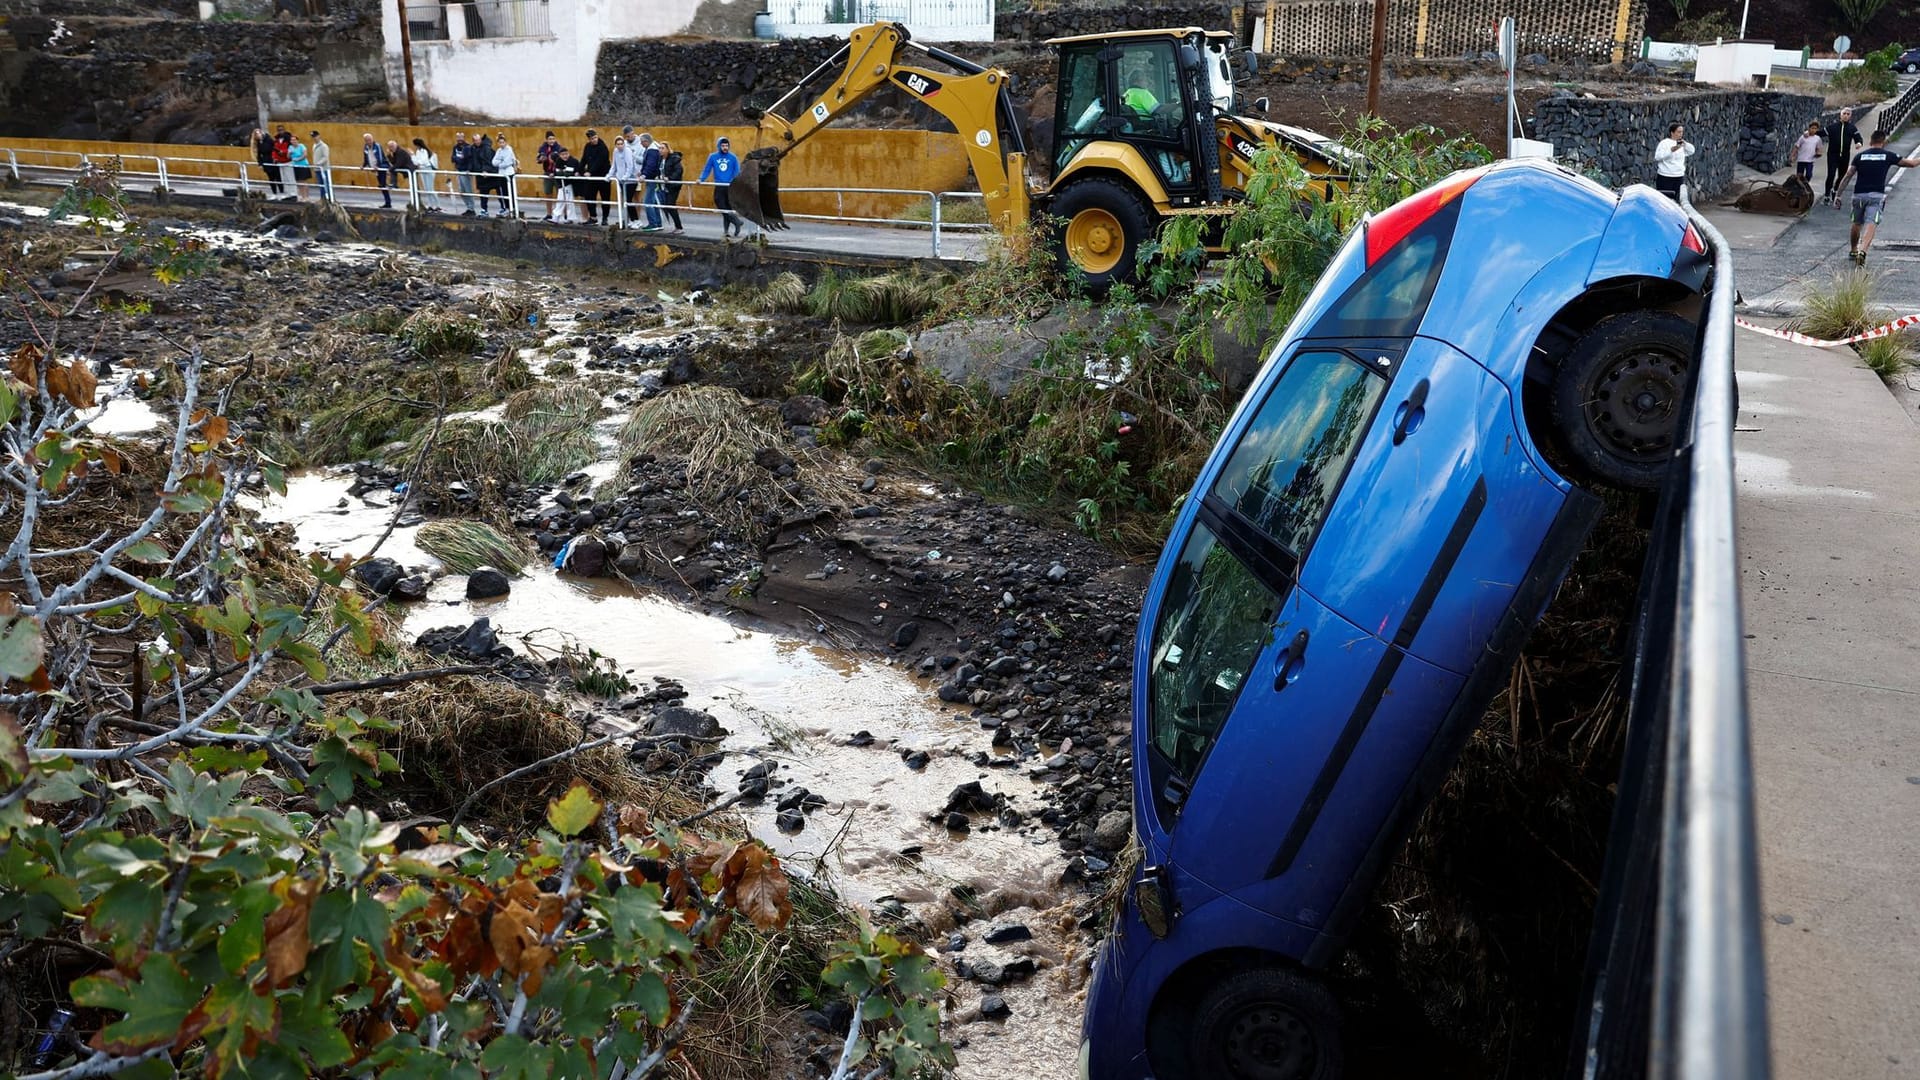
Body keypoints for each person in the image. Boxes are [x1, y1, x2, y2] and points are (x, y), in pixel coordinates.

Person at [1839, 129, 1919, 265]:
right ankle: (1862, 251)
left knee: (1856, 223)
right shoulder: (1888, 155)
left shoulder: (1860, 156)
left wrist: (1838, 195)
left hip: (1858, 195)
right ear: (1884, 142)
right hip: (1876, 196)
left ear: (1870, 141)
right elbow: (1911, 164)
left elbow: (1848, 175)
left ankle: (1853, 249)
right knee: (1871, 223)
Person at [698, 136, 745, 238]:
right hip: (719, 186)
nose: (725, 147)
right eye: (723, 145)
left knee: (727, 208)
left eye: (726, 145)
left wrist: (736, 184)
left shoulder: (733, 157)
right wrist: (701, 179)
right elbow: (707, 169)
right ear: (719, 146)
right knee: (722, 206)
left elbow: (736, 172)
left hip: (729, 186)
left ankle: (726, 231)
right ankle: (737, 221)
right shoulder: (713, 157)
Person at [1824, 106, 1863, 208]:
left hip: (1845, 156)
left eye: (1848, 114)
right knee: (1831, 175)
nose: (1845, 116)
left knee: (1842, 176)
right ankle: (1827, 195)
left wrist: (1858, 143)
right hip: (1832, 155)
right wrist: (1810, 133)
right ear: (1840, 115)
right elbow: (1821, 133)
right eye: (1844, 114)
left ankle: (1835, 190)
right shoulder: (1833, 127)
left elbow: (1858, 138)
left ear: (1850, 116)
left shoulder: (1852, 128)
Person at [1652, 122, 1695, 200]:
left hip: (1678, 176)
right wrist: (1671, 150)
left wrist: (1685, 144)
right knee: (1664, 199)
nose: (1681, 134)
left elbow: (1691, 151)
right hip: (1665, 176)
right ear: (1672, 132)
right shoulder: (1664, 143)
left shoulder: (1682, 144)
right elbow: (1657, 157)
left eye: (1682, 132)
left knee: (1677, 199)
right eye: (1678, 132)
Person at [579, 129, 612, 226]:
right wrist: (580, 170)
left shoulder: (603, 147)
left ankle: (605, 218)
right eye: (592, 138)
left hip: (603, 176)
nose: (594, 140)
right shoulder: (588, 147)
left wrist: (590, 172)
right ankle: (593, 217)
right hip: (592, 178)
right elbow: (584, 159)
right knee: (589, 196)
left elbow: (600, 162)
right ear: (589, 139)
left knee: (605, 198)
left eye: (595, 137)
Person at [412, 137, 450, 212]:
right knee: (426, 189)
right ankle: (430, 205)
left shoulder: (425, 151)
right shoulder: (418, 151)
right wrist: (414, 157)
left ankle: (437, 205)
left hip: (428, 169)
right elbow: (415, 161)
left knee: (430, 188)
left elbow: (424, 161)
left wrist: (417, 161)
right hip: (422, 170)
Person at [610, 134, 640, 226]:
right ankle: (630, 219)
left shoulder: (627, 151)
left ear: (624, 144)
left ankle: (636, 220)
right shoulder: (615, 152)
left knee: (628, 200)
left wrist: (626, 177)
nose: (620, 146)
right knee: (625, 201)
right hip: (621, 180)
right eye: (618, 144)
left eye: (621, 144)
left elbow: (630, 166)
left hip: (631, 180)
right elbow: (614, 165)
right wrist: (609, 175)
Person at [638, 131, 664, 230]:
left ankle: (653, 223)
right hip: (653, 178)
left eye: (642, 142)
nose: (641, 144)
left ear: (646, 141)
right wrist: (642, 172)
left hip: (651, 179)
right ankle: (658, 223)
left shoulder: (651, 151)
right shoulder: (653, 149)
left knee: (648, 202)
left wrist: (644, 174)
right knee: (653, 201)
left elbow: (651, 165)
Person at [659, 142, 685, 233]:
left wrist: (670, 178)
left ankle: (679, 227)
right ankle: (677, 226)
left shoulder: (674, 159)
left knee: (670, 204)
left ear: (667, 149)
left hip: (673, 185)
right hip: (664, 185)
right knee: (667, 205)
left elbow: (679, 170)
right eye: (660, 148)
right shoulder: (660, 159)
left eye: (662, 148)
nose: (660, 150)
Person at [362, 133, 393, 209]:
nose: (369, 141)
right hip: (375, 169)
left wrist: (377, 166)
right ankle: (387, 202)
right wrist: (363, 165)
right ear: (365, 141)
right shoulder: (366, 147)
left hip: (381, 167)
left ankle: (388, 202)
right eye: (367, 140)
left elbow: (380, 157)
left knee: (382, 185)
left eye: (370, 140)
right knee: (382, 185)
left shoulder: (377, 146)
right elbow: (366, 158)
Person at [489, 133, 517, 216]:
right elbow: (493, 162)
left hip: (509, 174)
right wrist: (501, 162)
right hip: (501, 174)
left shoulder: (509, 149)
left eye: (503, 142)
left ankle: (513, 208)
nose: (501, 144)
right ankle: (507, 208)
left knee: (511, 192)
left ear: (505, 142)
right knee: (504, 192)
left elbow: (507, 162)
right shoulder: (498, 151)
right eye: (499, 142)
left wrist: (500, 163)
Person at [452, 131, 478, 215]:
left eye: (461, 137)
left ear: (464, 138)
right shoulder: (455, 147)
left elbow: (468, 159)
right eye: (458, 137)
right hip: (458, 170)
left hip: (466, 171)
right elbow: (453, 158)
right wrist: (459, 159)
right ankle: (468, 206)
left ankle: (471, 208)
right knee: (461, 191)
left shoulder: (468, 147)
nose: (459, 139)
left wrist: (469, 169)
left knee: (468, 190)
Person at [250, 128, 282, 196]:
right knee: (271, 178)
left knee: (278, 176)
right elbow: (258, 154)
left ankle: (282, 191)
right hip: (266, 160)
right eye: (257, 134)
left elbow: (274, 147)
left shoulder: (268, 139)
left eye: (259, 133)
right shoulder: (258, 143)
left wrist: (278, 153)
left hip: (273, 159)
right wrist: (260, 164)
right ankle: (274, 193)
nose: (258, 135)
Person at [386, 140, 416, 208]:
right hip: (406, 169)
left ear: (395, 146)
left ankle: (415, 202)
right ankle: (394, 184)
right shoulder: (395, 153)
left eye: (392, 146)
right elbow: (394, 163)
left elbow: (399, 163)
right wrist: (389, 155)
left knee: (414, 187)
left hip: (410, 170)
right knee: (393, 170)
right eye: (390, 147)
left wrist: (390, 170)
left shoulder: (400, 152)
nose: (391, 148)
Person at [1790, 122, 1821, 186]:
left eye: (1815, 128)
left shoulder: (1817, 138)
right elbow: (1797, 146)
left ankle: (1805, 184)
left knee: (1809, 175)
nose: (1813, 130)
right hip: (1801, 159)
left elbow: (1818, 148)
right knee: (1799, 175)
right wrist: (1792, 155)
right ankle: (1799, 186)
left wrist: (1818, 153)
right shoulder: (1803, 137)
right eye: (1812, 128)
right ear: (1809, 128)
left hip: (1810, 160)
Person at [536, 130, 562, 205]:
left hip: (557, 173)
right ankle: (549, 214)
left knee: (560, 194)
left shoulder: (559, 148)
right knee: (548, 194)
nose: (552, 141)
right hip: (547, 173)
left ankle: (561, 214)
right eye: (550, 139)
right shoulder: (542, 148)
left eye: (553, 139)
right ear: (546, 140)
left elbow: (561, 161)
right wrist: (541, 159)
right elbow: (538, 160)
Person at [310, 130, 332, 202]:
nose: (314, 138)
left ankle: (328, 198)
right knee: (320, 184)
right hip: (317, 169)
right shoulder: (314, 146)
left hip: (324, 169)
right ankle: (322, 198)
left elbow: (325, 157)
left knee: (326, 184)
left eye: (315, 136)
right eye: (313, 137)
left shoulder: (324, 146)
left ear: (319, 136)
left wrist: (318, 163)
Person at [288, 134, 311, 201]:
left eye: (294, 140)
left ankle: (306, 196)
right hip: (295, 166)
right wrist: (289, 153)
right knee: (298, 181)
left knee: (303, 181)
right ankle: (301, 195)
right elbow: (288, 157)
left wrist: (298, 159)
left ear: (297, 140)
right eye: (292, 140)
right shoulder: (290, 147)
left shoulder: (301, 146)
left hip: (303, 165)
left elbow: (305, 155)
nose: (293, 141)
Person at [272, 128, 294, 196]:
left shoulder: (288, 140)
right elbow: (274, 150)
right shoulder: (276, 141)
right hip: (280, 162)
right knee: (283, 178)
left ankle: (293, 193)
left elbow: (291, 149)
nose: (280, 131)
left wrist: (283, 152)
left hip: (287, 161)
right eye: (279, 130)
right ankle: (287, 193)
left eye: (281, 130)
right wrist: (275, 158)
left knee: (290, 178)